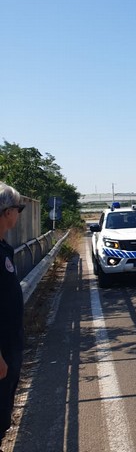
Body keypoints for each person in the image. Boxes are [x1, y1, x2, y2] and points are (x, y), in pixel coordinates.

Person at [0, 183, 25, 446]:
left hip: (9, 346)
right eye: (19, 208)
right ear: (7, 212)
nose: (19, 213)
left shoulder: (4, 246)